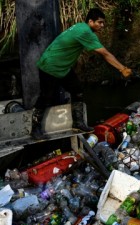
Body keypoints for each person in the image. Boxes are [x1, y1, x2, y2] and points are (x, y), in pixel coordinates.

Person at [34, 7, 132, 139]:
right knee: (46, 98)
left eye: (103, 23)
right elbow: (104, 54)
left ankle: (78, 122)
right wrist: (122, 68)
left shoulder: (81, 27)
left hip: (63, 67)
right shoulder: (86, 32)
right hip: (50, 66)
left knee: (77, 90)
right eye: (100, 22)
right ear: (90, 21)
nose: (102, 25)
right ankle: (35, 129)